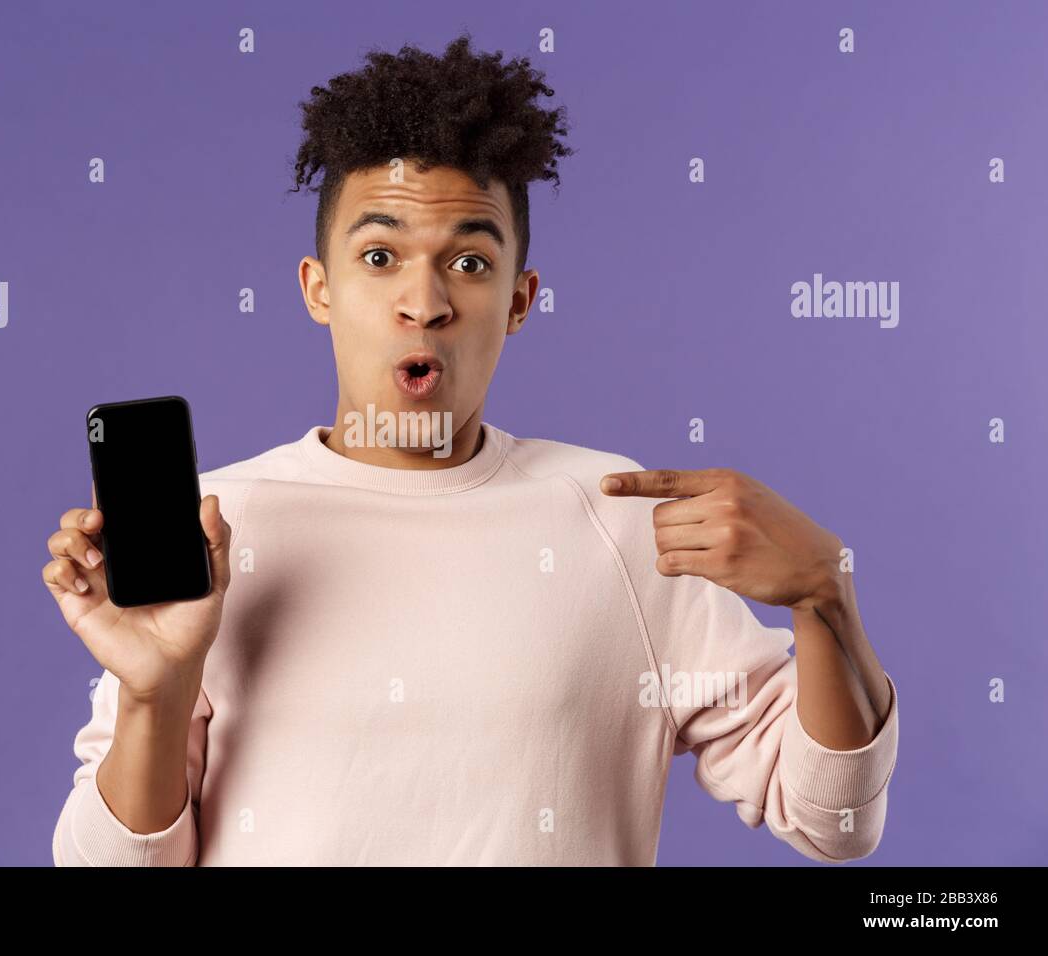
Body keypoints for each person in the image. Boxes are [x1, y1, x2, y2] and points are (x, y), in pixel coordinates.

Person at [44, 34, 898, 866]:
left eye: (470, 263)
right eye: (380, 256)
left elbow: (833, 822)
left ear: (521, 300)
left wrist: (827, 598)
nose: (424, 301)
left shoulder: (623, 525)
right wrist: (156, 695)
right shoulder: (213, 530)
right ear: (320, 290)